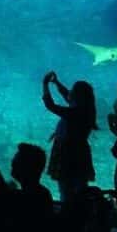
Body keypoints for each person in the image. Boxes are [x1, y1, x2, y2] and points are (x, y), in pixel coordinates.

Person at [41, 71, 98, 202]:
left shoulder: (75, 112)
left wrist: (45, 84)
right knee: (80, 187)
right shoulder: (85, 109)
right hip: (79, 151)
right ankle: (81, 213)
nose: (69, 92)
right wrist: (56, 83)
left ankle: (69, 214)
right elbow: (67, 94)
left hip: (67, 153)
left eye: (73, 91)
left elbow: (51, 105)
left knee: (66, 189)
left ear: (77, 96)